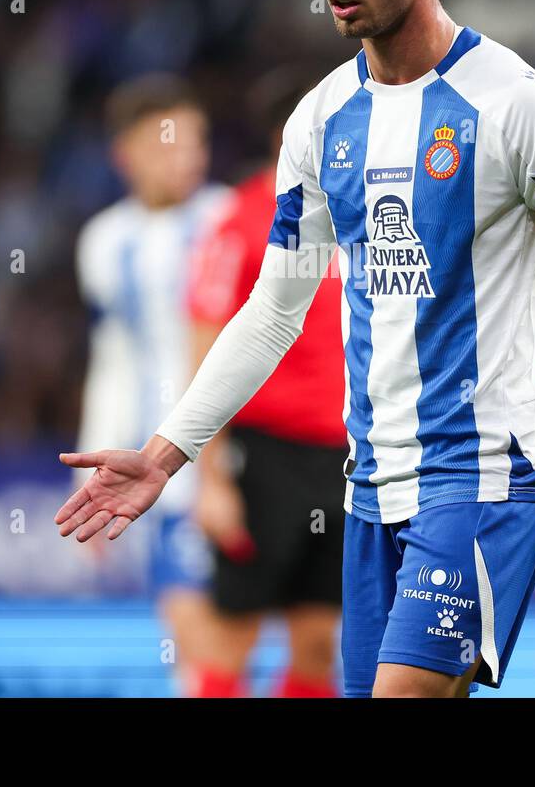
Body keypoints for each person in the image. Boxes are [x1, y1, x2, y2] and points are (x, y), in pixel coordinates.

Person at [57, 0, 535, 698]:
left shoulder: (520, 105)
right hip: (370, 487)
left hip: (486, 474)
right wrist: (166, 455)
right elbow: (273, 312)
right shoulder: (321, 121)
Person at [187, 69, 347, 698]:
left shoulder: (369, 216)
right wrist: (212, 475)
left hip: (347, 456)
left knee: (317, 639)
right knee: (234, 633)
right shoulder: (242, 218)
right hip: (265, 453)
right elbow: (205, 343)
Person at [72, 73, 228, 696]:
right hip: (167, 474)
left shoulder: (233, 219)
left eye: (195, 142)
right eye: (167, 144)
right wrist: (88, 472)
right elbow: (113, 362)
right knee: (194, 641)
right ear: (125, 156)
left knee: (309, 636)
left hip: (253, 462)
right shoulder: (104, 244)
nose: (185, 157)